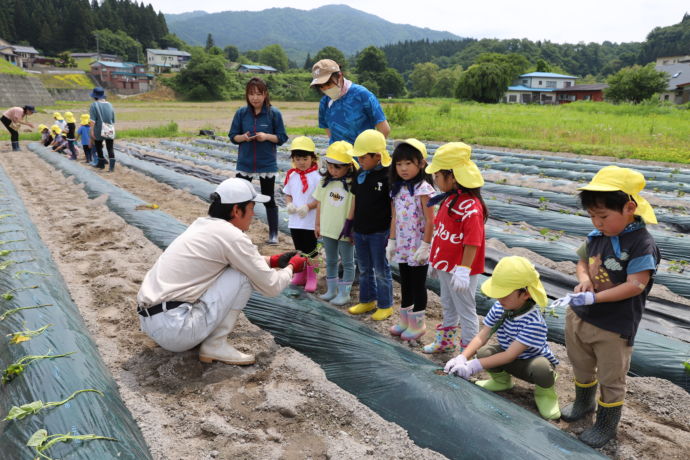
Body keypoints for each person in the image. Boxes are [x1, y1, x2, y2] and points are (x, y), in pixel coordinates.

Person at [137, 178, 307, 366]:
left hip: (150, 322)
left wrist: (273, 261)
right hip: (175, 331)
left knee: (237, 268)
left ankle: (202, 337)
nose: (253, 214)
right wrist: (291, 268)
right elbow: (272, 287)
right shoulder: (232, 236)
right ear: (236, 210)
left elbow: (233, 261)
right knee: (243, 275)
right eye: (251, 207)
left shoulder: (203, 225)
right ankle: (215, 345)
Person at [552, 165, 660, 448]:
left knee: (612, 378)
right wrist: (585, 280)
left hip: (614, 325)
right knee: (581, 365)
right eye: (592, 216)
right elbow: (582, 261)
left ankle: (606, 424)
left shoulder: (641, 243)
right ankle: (583, 404)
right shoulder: (596, 236)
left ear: (629, 208)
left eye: (603, 216)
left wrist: (596, 298)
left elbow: (636, 284)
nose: (597, 222)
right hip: (581, 316)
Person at [444, 256, 561, 420]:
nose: (499, 299)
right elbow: (482, 336)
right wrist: (463, 357)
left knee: (542, 368)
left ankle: (545, 393)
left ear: (526, 293)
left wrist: (473, 366)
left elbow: (510, 355)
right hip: (507, 356)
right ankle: (502, 381)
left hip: (529, 363)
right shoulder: (500, 307)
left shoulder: (534, 322)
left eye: (504, 295)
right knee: (484, 352)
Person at [423, 142, 487, 354]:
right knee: (448, 304)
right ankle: (446, 341)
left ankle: (468, 353)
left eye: (438, 176)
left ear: (452, 177)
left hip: (460, 269)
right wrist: (434, 259)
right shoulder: (449, 200)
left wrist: (464, 269)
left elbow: (472, 242)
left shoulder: (471, 208)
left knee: (466, 310)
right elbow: (441, 234)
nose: (436, 181)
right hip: (445, 264)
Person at [229, 77, 288, 245]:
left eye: (258, 94)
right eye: (251, 94)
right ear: (247, 95)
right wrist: (244, 137)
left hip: (266, 163)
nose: (255, 98)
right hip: (245, 163)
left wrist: (266, 136)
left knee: (269, 197)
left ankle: (273, 234)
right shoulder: (241, 113)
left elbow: (282, 137)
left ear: (265, 94)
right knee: (241, 198)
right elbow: (233, 137)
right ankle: (237, 231)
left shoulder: (273, 114)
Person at [387, 139, 435, 341]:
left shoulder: (424, 189)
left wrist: (425, 245)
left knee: (418, 284)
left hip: (418, 246)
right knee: (405, 282)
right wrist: (391, 241)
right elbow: (395, 217)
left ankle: (418, 324)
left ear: (421, 164)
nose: (403, 168)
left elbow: (430, 220)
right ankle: (405, 321)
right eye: (399, 164)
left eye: (408, 163)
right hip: (403, 246)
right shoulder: (397, 189)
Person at [345, 129, 394, 320]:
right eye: (358, 157)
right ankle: (367, 300)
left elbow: (393, 206)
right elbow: (355, 199)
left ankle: (385, 304)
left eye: (364, 157)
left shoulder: (388, 176)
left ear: (378, 156)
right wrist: (350, 224)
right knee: (364, 268)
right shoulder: (360, 174)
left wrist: (392, 235)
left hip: (379, 232)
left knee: (381, 269)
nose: (360, 160)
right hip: (361, 230)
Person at [313, 141, 358, 306]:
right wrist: (317, 224)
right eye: (330, 166)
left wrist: (353, 228)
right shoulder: (325, 181)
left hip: (344, 231)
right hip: (328, 228)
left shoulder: (354, 184)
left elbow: (356, 208)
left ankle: (344, 293)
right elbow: (319, 203)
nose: (333, 170)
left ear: (349, 166)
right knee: (331, 259)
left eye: (337, 167)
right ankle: (331, 290)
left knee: (347, 261)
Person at [310, 59, 390, 144]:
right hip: (337, 155)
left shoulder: (362, 95)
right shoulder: (325, 102)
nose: (325, 88)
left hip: (361, 155)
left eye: (328, 84)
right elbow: (330, 134)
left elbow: (384, 129)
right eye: (321, 87)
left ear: (339, 76)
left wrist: (369, 152)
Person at [283, 136, 320, 292]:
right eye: (297, 159)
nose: (301, 162)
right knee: (300, 249)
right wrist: (289, 204)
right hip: (296, 220)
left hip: (310, 220)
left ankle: (312, 277)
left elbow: (320, 199)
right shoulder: (292, 175)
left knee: (312, 250)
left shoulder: (318, 176)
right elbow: (288, 193)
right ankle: (301, 274)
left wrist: (308, 206)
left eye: (305, 158)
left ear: (312, 157)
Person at [89, 87, 116, 171]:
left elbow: (92, 121)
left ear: (95, 96)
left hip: (99, 129)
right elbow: (113, 119)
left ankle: (101, 165)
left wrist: (92, 131)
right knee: (110, 147)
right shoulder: (110, 104)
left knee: (98, 146)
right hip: (109, 128)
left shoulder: (94, 105)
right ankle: (111, 167)